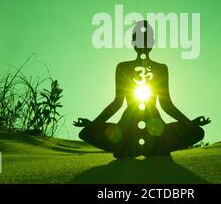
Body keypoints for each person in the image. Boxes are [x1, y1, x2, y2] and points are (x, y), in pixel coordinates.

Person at [74, 20, 210, 158]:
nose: (143, 43)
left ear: (152, 43)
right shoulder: (123, 67)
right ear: (133, 42)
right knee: (86, 132)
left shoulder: (161, 69)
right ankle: (143, 147)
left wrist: (190, 124)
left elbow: (166, 105)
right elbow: (117, 103)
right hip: (127, 128)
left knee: (198, 132)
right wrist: (93, 124)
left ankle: (139, 147)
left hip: (155, 127)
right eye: (138, 39)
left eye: (146, 39)